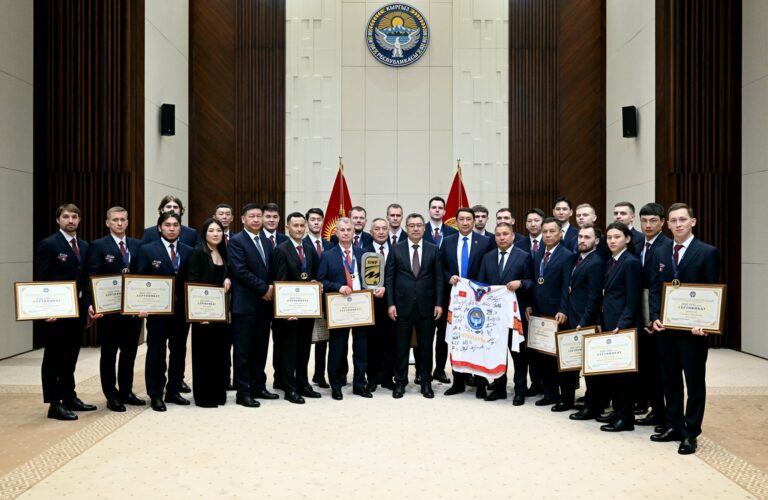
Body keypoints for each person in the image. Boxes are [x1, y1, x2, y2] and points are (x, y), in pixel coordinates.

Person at [649, 203, 720, 455]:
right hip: (666, 328)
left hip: (693, 331)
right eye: (673, 220)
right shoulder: (660, 251)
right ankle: (674, 425)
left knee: (694, 381)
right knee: (669, 380)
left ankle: (691, 433)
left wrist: (707, 323)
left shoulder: (707, 252)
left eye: (682, 219)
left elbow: (713, 291)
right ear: (667, 224)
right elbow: (655, 289)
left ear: (693, 222)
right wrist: (654, 317)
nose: (678, 224)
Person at [36, 203, 96, 420]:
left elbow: (85, 281)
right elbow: (41, 280)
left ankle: (69, 397)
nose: (71, 220)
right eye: (66, 216)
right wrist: (45, 310)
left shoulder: (84, 245)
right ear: (58, 220)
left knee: (70, 357)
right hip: (56, 313)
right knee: (53, 358)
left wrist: (88, 305)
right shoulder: (49, 244)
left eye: (74, 217)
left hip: (77, 312)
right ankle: (54, 404)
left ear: (79, 220)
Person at [87, 206, 144, 412]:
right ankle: (111, 396)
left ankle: (126, 391)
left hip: (132, 311)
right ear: (108, 223)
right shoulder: (98, 246)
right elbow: (92, 275)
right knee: (109, 354)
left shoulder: (138, 245)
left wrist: (144, 304)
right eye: (115, 220)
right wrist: (92, 303)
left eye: (123, 219)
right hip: (109, 311)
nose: (119, 223)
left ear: (127, 222)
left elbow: (143, 276)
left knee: (129, 353)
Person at [137, 212, 193, 412]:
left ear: (180, 228)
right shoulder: (147, 250)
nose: (171, 228)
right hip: (157, 313)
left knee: (179, 352)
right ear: (159, 228)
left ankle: (174, 391)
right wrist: (140, 305)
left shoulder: (189, 251)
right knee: (156, 353)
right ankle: (155, 394)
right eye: (167, 225)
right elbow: (140, 280)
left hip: (181, 312)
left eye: (175, 225)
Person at [386, 213, 444, 399]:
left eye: (419, 225)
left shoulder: (433, 249)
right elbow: (389, 279)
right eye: (412, 225)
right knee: (401, 347)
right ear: (406, 228)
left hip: (427, 306)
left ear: (424, 228)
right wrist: (390, 303)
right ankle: (400, 382)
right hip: (401, 306)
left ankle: (426, 382)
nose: (416, 228)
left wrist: (439, 303)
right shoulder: (396, 249)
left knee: (426, 347)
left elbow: (439, 279)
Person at [318, 218, 377, 400]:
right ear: (336, 233)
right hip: (340, 308)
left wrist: (377, 288)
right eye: (342, 230)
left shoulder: (364, 254)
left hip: (361, 308)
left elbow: (373, 279)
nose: (345, 233)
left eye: (348, 230)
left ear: (353, 233)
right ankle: (336, 386)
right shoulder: (327, 255)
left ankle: (359, 385)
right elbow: (321, 281)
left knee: (361, 349)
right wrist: (338, 286)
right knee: (337, 348)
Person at [476, 221, 533, 405]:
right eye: (498, 234)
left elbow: (531, 282)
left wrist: (521, 283)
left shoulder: (524, 256)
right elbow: (481, 284)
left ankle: (520, 391)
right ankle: (499, 389)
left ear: (513, 236)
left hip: (515, 315)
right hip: (494, 317)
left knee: (519, 355)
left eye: (505, 234)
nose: (502, 237)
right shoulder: (487, 257)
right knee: (497, 353)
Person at [228, 203, 279, 408]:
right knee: (243, 351)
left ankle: (258, 386)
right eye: (252, 216)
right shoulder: (236, 241)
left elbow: (270, 270)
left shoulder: (266, 241)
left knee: (260, 349)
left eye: (259, 216)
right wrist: (264, 289)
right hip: (245, 306)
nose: (256, 220)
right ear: (243, 219)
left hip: (264, 306)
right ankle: (243, 391)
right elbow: (240, 271)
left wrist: (274, 288)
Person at [439, 207, 492, 396]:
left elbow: (489, 267)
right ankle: (458, 382)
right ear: (456, 221)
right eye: (461, 219)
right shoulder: (447, 241)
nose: (466, 222)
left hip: (478, 300)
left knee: (478, 340)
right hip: (455, 300)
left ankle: (480, 384)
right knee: (457, 340)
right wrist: (449, 277)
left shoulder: (485, 242)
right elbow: (440, 267)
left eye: (469, 219)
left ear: (474, 221)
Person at [596, 222, 643, 432]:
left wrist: (622, 325)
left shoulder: (631, 262)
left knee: (624, 376)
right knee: (613, 373)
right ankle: (618, 411)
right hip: (609, 322)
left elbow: (633, 300)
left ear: (627, 239)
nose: (612, 241)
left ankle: (626, 419)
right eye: (609, 237)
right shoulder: (611, 261)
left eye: (617, 237)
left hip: (623, 326)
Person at [272, 212, 322, 404]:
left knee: (304, 349)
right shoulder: (281, 250)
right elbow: (280, 280)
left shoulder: (309, 249)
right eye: (295, 226)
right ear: (287, 228)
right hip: (289, 312)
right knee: (289, 351)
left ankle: (303, 383)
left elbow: (313, 275)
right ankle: (289, 388)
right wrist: (287, 311)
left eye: (302, 226)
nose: (299, 229)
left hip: (307, 310)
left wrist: (316, 283)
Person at [526, 217, 574, 408]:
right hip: (539, 313)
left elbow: (566, 286)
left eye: (552, 231)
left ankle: (566, 397)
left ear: (560, 234)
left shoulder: (567, 255)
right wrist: (529, 304)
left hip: (557, 314)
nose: (547, 235)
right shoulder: (538, 253)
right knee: (543, 356)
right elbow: (535, 281)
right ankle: (550, 394)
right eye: (544, 231)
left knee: (559, 358)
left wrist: (563, 309)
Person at [187, 218, 232, 408]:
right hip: (203, 314)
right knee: (204, 355)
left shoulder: (224, 252)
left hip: (221, 314)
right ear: (204, 233)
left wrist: (228, 278)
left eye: (219, 230)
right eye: (211, 230)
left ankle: (218, 393)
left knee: (220, 354)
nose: (216, 234)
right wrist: (199, 314)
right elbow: (192, 282)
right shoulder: (198, 253)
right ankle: (204, 396)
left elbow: (228, 273)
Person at [634, 202, 671, 426]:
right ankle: (651, 407)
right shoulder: (638, 244)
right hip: (640, 308)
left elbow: (661, 286)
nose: (648, 225)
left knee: (659, 367)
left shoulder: (667, 246)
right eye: (644, 221)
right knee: (646, 365)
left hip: (657, 313)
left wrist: (653, 316)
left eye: (653, 221)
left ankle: (662, 412)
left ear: (662, 222)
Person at [565, 224, 607, 420]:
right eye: (580, 236)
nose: (582, 240)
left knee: (591, 368)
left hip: (586, 320)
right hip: (573, 316)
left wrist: (584, 322)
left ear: (596, 241)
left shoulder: (596, 262)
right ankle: (590, 402)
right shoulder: (576, 259)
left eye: (587, 237)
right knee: (580, 363)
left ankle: (593, 407)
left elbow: (594, 297)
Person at [362, 218, 396, 392]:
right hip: (371, 305)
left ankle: (388, 378)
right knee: (372, 343)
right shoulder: (363, 252)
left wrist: (386, 290)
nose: (381, 232)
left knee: (390, 342)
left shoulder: (397, 250)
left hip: (392, 304)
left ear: (388, 231)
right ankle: (372, 378)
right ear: (371, 232)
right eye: (377, 229)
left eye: (384, 228)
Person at [304, 208, 334, 389]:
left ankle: (319, 374)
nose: (316, 222)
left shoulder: (330, 245)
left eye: (319, 219)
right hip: (306, 299)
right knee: (305, 338)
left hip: (326, 298)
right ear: (307, 222)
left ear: (323, 221)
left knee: (323, 338)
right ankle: (301, 376)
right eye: (312, 219)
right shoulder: (301, 243)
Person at [213, 203, 235, 391]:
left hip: (237, 297)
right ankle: (221, 378)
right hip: (214, 298)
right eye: (221, 214)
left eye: (228, 214)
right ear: (215, 216)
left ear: (233, 218)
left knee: (236, 340)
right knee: (220, 341)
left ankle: (233, 378)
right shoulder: (206, 240)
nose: (224, 217)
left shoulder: (238, 239)